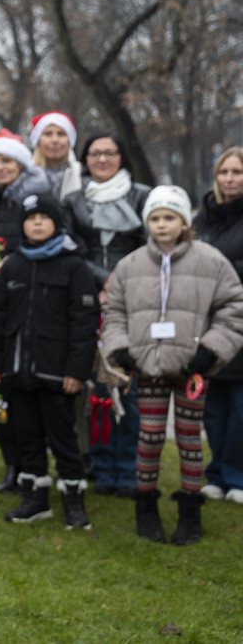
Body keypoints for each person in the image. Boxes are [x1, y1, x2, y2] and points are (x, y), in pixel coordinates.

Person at [103, 185, 243, 545]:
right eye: (154, 218)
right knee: (148, 439)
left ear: (183, 222)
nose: (161, 225)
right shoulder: (130, 265)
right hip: (147, 369)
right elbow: (114, 311)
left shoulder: (210, 261)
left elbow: (233, 308)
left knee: (189, 439)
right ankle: (146, 506)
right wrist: (121, 350)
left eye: (169, 217)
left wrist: (211, 351)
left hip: (192, 370)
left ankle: (190, 511)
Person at [0, 192, 98, 528]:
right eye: (31, 219)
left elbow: (84, 324)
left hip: (57, 374)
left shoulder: (74, 266)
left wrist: (77, 370)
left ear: (56, 223)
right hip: (17, 373)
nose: (37, 223)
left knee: (63, 438)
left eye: (44, 218)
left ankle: (74, 501)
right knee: (26, 436)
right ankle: (34, 498)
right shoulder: (14, 266)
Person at [62, 132, 151, 497]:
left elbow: (151, 243)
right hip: (87, 300)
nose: (102, 159)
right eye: (95, 153)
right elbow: (72, 247)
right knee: (98, 390)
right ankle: (101, 465)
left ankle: (128, 467)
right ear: (85, 159)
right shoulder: (72, 201)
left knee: (127, 388)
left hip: (133, 300)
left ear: (120, 156)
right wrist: (100, 281)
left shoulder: (141, 196)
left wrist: (119, 281)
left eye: (109, 153)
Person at [0, 129, 50, 493]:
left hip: (29, 304)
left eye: (7, 160)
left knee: (29, 385)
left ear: (20, 163)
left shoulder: (37, 199)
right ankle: (11, 463)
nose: (1, 167)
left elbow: (47, 243)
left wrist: (16, 263)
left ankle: (35, 462)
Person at [191, 147, 243, 504]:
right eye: (224, 172)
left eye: (237, 172)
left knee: (240, 407)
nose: (229, 179)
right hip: (208, 324)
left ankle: (236, 475)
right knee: (212, 406)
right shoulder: (202, 219)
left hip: (240, 323)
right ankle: (216, 474)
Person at [29, 110, 82, 202]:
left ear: (69, 140)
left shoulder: (82, 174)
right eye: (48, 134)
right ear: (38, 140)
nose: (55, 140)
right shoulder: (23, 177)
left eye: (61, 134)